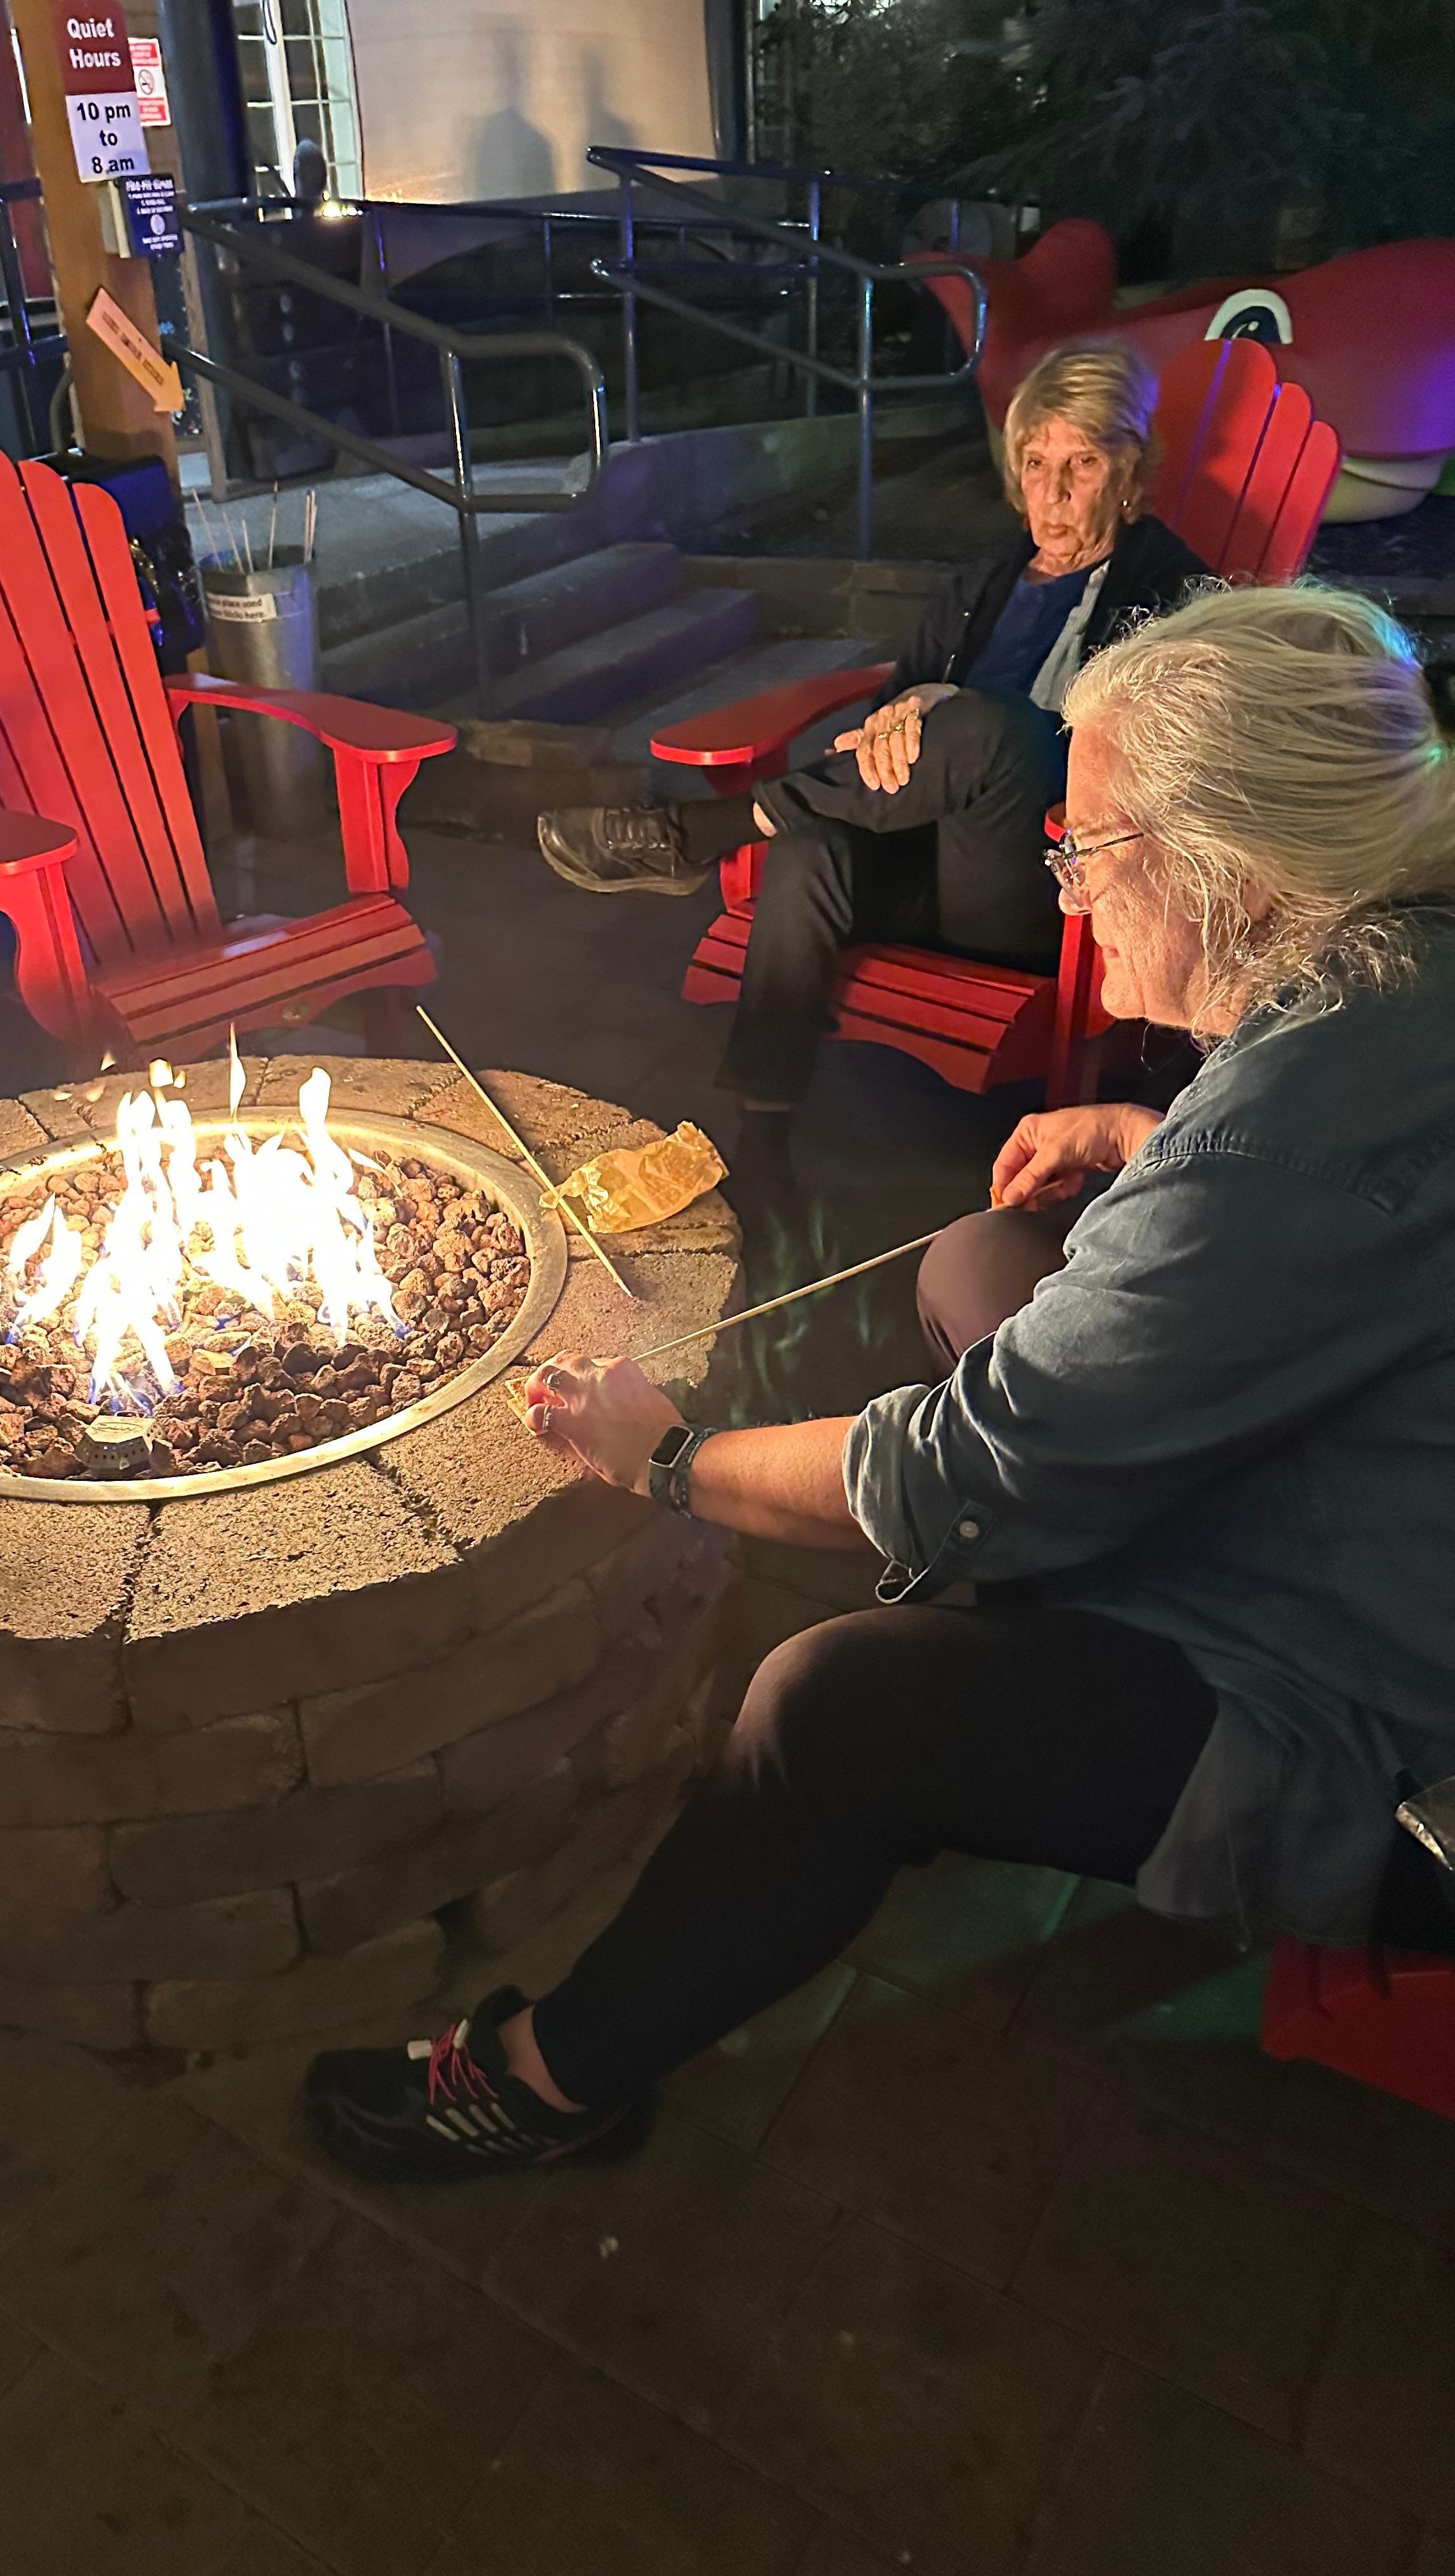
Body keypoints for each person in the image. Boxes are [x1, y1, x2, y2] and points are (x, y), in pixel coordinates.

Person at [305, 581, 1455, 2179]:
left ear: (1238, 870)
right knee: (979, 1266)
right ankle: (1022, 1677)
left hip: (1394, 1734)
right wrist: (1143, 1141)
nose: (1068, 890)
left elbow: (959, 1470)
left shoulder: (1315, 1096)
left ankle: (549, 2081)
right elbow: (1337, 1228)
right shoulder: (1388, 991)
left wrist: (663, 1456)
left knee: (834, 1706)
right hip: (1369, 1516)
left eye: (1092, 846)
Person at [535, 340, 1209, 1122]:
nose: (1051, 495)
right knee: (809, 850)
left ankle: (702, 829)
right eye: (1034, 463)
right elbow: (884, 732)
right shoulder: (983, 584)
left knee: (993, 727)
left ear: (1128, 474)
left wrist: (963, 717)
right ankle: (762, 1120)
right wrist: (911, 702)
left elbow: (1161, 763)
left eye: (1082, 466)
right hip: (922, 862)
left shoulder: (1171, 593)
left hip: (1044, 888)